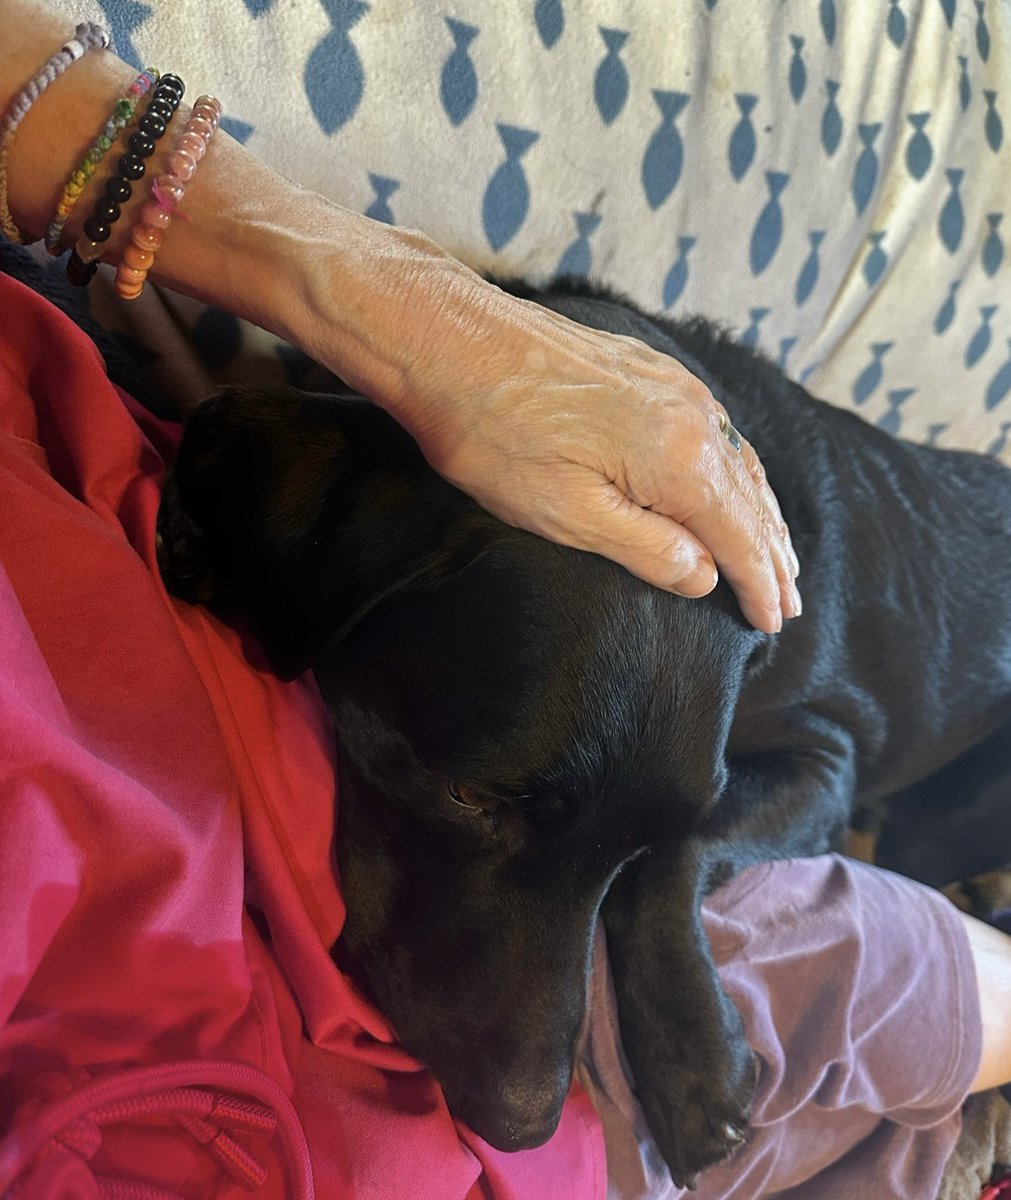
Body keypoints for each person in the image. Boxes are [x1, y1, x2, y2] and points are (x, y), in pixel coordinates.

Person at [0, 7, 1009, 1200]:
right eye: (487, 801)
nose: (517, 1100)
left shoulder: (750, 584)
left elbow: (813, 763)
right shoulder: (373, 519)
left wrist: (656, 903)